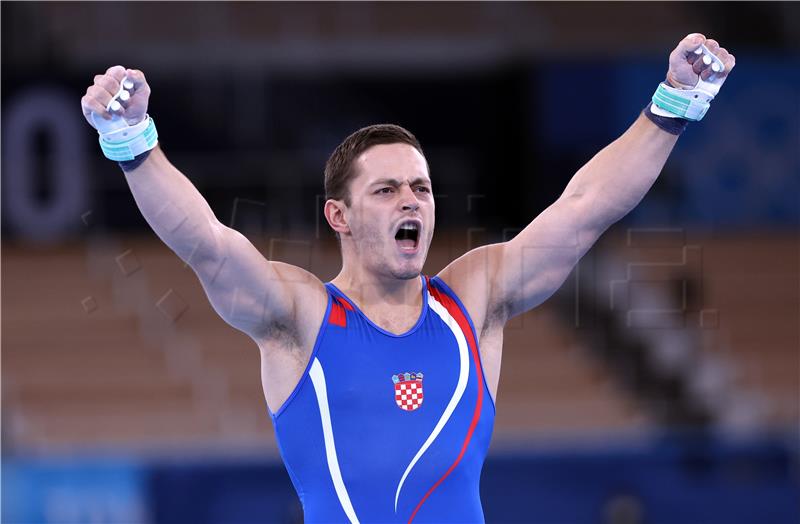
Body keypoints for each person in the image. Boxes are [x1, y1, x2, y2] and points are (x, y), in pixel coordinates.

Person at [80, 33, 734, 523]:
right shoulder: (301, 315)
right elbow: (208, 245)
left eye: (420, 188)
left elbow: (585, 209)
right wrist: (133, 139)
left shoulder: (473, 298)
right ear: (338, 214)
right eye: (387, 189)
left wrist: (674, 103)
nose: (411, 202)